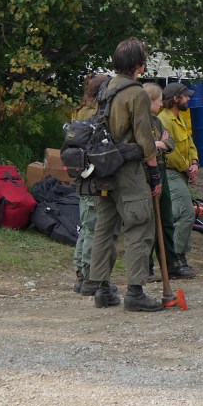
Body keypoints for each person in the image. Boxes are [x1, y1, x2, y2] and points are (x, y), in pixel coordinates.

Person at [90, 37, 163, 312]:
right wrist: (154, 174)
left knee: (105, 227)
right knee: (139, 226)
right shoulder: (136, 93)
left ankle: (101, 287)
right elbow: (145, 139)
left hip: (103, 167)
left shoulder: (105, 87)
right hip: (128, 169)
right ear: (139, 65)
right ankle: (135, 291)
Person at [142, 82, 185, 280]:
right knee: (150, 220)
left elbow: (169, 143)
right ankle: (146, 266)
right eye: (159, 101)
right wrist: (157, 143)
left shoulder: (156, 122)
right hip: (145, 172)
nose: (161, 105)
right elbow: (144, 146)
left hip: (162, 169)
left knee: (166, 218)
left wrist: (161, 144)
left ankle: (170, 263)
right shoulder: (140, 121)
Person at [71, 73, 109, 295]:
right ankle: (88, 275)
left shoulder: (80, 111)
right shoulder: (95, 114)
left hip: (83, 175)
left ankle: (81, 272)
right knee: (93, 228)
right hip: (92, 175)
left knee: (86, 227)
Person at [158, 82, 199, 278]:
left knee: (176, 214)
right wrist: (187, 168)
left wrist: (195, 163)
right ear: (176, 99)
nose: (188, 98)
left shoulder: (179, 117)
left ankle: (173, 258)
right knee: (186, 214)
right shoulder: (164, 120)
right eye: (185, 96)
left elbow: (190, 142)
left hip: (181, 172)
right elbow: (170, 153)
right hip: (170, 172)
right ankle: (177, 258)